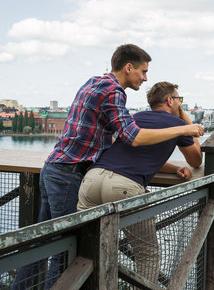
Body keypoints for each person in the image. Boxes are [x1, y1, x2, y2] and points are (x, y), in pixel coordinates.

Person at [11, 45, 204, 290]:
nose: (145, 78)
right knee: (66, 251)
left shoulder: (94, 82)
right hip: (72, 174)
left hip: (55, 168)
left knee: (41, 244)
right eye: (143, 71)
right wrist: (184, 127)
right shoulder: (115, 92)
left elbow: (122, 143)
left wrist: (171, 167)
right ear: (128, 67)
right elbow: (132, 137)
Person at [77, 81, 202, 287]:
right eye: (180, 100)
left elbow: (132, 155)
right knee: (147, 254)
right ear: (170, 101)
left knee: (88, 249)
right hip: (124, 187)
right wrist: (186, 121)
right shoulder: (178, 125)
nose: (181, 104)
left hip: (92, 179)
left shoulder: (134, 119)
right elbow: (196, 160)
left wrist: (173, 169)